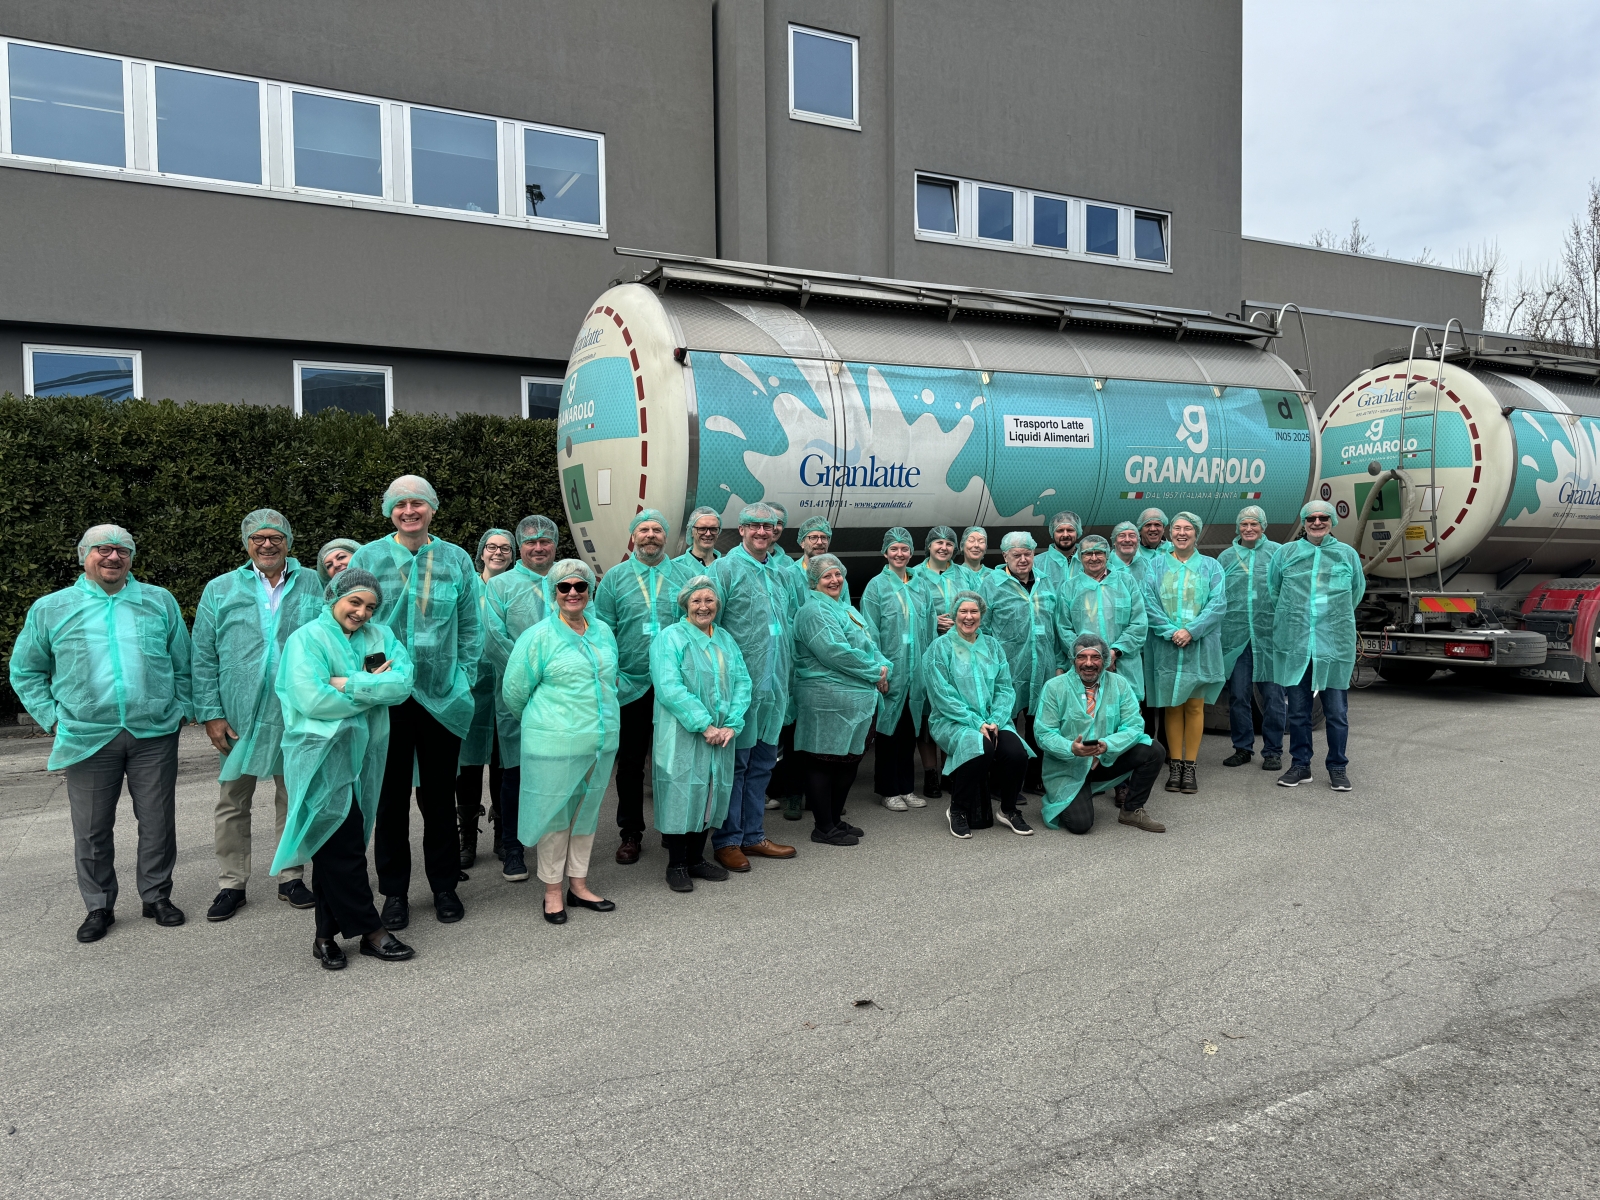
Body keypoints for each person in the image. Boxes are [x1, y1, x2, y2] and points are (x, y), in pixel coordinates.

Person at [10, 524, 193, 943]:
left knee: (158, 822)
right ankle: (98, 905)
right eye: (103, 550)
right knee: (92, 828)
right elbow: (26, 670)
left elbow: (182, 662)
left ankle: (156, 896)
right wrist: (53, 718)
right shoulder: (51, 608)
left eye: (122, 551)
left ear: (131, 558)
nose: (113, 557)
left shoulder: (158, 601)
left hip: (154, 732)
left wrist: (182, 709)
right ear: (84, 556)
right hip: (87, 735)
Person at [348, 475, 483, 930]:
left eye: (418, 503)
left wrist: (462, 679)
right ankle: (394, 893)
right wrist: (363, 680)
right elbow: (349, 623)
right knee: (389, 801)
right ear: (390, 511)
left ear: (432, 509)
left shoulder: (455, 559)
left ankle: (444, 886)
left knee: (439, 798)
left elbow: (470, 626)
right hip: (386, 698)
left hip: (440, 696)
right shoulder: (367, 559)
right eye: (401, 504)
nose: (409, 511)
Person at [271, 569, 417, 968]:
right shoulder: (307, 639)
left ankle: (324, 938)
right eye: (355, 602)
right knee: (345, 844)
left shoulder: (381, 636)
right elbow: (311, 698)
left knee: (332, 845)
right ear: (334, 597)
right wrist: (370, 687)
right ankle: (372, 931)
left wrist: (344, 682)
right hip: (321, 756)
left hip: (366, 754)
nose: (362, 613)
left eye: (371, 606)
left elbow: (402, 685)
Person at [191, 508, 325, 923]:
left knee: (293, 795)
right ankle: (232, 883)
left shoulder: (314, 583)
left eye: (275, 538)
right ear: (246, 543)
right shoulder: (220, 589)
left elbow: (331, 638)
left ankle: (291, 876)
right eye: (258, 538)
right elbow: (202, 654)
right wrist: (210, 713)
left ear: (288, 541)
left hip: (296, 709)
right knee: (233, 799)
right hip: (238, 713)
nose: (267, 545)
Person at [501, 559, 621, 924]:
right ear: (553, 592)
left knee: (586, 814)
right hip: (553, 745)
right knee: (555, 817)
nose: (572, 592)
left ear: (589, 591)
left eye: (580, 586)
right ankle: (553, 890)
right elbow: (515, 692)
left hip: (599, 742)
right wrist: (549, 725)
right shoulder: (538, 636)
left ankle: (579, 884)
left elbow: (609, 681)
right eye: (564, 587)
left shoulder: (602, 631)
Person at [709, 502, 799, 871]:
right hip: (740, 687)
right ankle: (727, 840)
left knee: (762, 764)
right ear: (742, 529)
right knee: (736, 765)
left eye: (769, 526)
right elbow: (710, 626)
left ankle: (753, 835)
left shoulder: (780, 571)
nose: (762, 532)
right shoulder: (724, 569)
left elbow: (789, 623)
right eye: (754, 526)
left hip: (774, 684)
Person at [651, 575, 753, 891]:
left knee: (711, 792)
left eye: (709, 600)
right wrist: (703, 724)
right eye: (696, 600)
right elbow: (669, 686)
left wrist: (732, 724)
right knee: (681, 794)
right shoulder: (670, 638)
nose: (703, 606)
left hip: (720, 734)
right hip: (683, 732)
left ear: (717, 605)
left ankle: (696, 859)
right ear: (685, 604)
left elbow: (742, 681)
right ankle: (677, 864)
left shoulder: (725, 639)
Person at [593, 508, 680, 865]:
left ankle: (675, 828)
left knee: (673, 760)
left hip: (673, 684)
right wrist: (611, 676)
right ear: (633, 536)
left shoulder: (684, 575)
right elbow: (602, 632)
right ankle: (630, 832)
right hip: (630, 684)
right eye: (643, 530)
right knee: (630, 763)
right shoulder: (614, 579)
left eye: (657, 529)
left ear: (666, 536)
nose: (650, 535)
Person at [792, 555, 892, 846]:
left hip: (855, 700)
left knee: (847, 761)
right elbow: (835, 652)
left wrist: (884, 667)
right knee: (824, 761)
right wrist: (875, 672)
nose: (834, 580)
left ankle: (835, 819)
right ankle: (823, 827)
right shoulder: (813, 611)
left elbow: (870, 644)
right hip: (826, 699)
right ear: (814, 581)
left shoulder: (846, 609)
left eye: (838, 574)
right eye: (827, 576)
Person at [482, 514, 559, 880]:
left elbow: (585, 626)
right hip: (516, 694)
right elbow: (494, 638)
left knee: (558, 771)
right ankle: (512, 848)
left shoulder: (568, 579)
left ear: (555, 544)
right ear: (519, 547)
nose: (538, 547)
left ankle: (555, 847)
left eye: (545, 540)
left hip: (562, 694)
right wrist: (530, 678)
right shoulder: (500, 586)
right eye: (530, 541)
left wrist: (558, 677)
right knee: (514, 772)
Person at [1268, 500, 1365, 791]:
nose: (1317, 522)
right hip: (1296, 644)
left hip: (1333, 644)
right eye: (1311, 518)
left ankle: (1337, 767)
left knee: (1336, 712)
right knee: (1299, 712)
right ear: (1304, 522)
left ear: (1332, 520)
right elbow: (1275, 591)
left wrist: (1331, 619)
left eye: (1323, 517)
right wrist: (1297, 618)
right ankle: (1300, 765)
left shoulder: (1346, 555)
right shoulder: (1286, 553)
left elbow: (1356, 592)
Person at [923, 591, 1032, 839]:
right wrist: (976, 722)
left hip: (993, 719)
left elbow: (1005, 687)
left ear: (982, 615)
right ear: (954, 614)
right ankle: (958, 809)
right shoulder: (940, 648)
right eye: (963, 611)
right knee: (980, 749)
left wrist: (996, 719)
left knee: (1016, 753)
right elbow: (942, 695)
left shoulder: (992, 646)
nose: (969, 617)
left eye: (974, 611)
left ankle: (1008, 809)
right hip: (953, 720)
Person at [1034, 633, 1166, 834]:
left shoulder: (1119, 684)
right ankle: (1072, 794)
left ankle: (1132, 810)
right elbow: (1044, 733)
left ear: (1105, 660)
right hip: (1068, 766)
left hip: (1105, 760)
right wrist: (1071, 749)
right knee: (1080, 825)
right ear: (1073, 659)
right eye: (1082, 657)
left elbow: (1134, 725)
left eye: (1095, 657)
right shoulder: (1054, 687)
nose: (1088, 663)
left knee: (1153, 750)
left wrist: (1107, 745)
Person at [1053, 533, 1149, 809]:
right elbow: (1064, 627)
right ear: (1079, 557)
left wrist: (1115, 652)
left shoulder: (1126, 582)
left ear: (1108, 555)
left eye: (1099, 553)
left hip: (1122, 664)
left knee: (1122, 721)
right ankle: (1089, 775)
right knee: (1089, 718)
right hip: (1086, 667)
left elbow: (1138, 622)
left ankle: (1123, 783)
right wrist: (1091, 657)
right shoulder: (1069, 588)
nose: (1093, 558)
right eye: (1087, 553)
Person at [1141, 512, 1227, 796]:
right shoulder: (1155, 566)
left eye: (1187, 528)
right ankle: (1175, 765)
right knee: (1172, 706)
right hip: (1167, 647)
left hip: (1199, 647)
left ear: (1196, 533)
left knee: (1194, 707)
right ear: (1170, 533)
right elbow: (1149, 603)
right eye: (1176, 528)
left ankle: (1190, 766)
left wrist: (1191, 631)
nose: (1181, 533)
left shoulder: (1212, 567)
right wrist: (1171, 631)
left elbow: (1217, 604)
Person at [980, 531, 1058, 815]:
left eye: (1028, 553)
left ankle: (1033, 777)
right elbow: (982, 628)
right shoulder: (991, 584)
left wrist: (1059, 661)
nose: (1023, 559)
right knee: (1006, 724)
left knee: (1040, 723)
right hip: (1007, 668)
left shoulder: (1046, 581)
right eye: (1017, 555)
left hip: (1043, 665)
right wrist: (990, 666)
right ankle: (1000, 783)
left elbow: (1057, 623)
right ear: (1005, 556)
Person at [765, 514, 832, 821]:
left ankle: (817, 795)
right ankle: (792, 793)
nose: (819, 542)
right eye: (813, 537)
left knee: (819, 732)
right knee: (792, 733)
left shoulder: (834, 573)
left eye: (823, 537)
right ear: (801, 541)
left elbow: (842, 611)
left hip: (826, 660)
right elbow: (786, 615)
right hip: (797, 659)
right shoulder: (789, 574)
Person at [456, 529, 514, 868]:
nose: (498, 553)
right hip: (470, 688)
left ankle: (504, 834)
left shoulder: (516, 589)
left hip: (507, 686)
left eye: (505, 548)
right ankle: (466, 837)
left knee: (503, 762)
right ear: (481, 552)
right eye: (492, 547)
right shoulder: (467, 589)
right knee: (468, 766)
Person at [1216, 506, 1286, 772]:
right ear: (1238, 527)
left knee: (1273, 696)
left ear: (1263, 526)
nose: (1248, 529)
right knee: (1238, 695)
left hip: (1270, 637)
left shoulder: (1278, 553)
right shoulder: (1226, 557)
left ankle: (1273, 751)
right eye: (1244, 524)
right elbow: (1217, 595)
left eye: (1254, 524)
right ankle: (1243, 748)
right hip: (1237, 638)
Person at [858, 528, 923, 811]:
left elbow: (928, 626)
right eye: (894, 549)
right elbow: (869, 632)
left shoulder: (920, 585)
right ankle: (888, 790)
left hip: (916, 672)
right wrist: (879, 670)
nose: (899, 554)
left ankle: (906, 787)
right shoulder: (876, 587)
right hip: (890, 670)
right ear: (885, 553)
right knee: (888, 733)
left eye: (904, 549)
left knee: (909, 732)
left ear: (911, 552)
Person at [910, 526, 960, 798]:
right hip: (927, 651)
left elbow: (978, 607)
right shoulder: (915, 575)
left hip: (959, 653)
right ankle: (930, 772)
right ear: (928, 546)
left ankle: (949, 771)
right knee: (928, 713)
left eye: (949, 543)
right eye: (938, 543)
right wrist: (933, 621)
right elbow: (909, 612)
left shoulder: (964, 575)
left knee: (953, 710)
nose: (944, 547)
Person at [1034, 511, 1083, 591]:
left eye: (1070, 530)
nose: (1065, 535)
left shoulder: (1090, 560)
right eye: (1060, 530)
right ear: (1052, 533)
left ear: (1077, 532)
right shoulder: (1036, 563)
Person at [671, 505, 724, 579]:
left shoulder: (727, 566)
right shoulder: (675, 567)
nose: (708, 534)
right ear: (691, 531)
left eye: (713, 529)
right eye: (702, 529)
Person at [1136, 508, 1172, 575]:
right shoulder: (1132, 553)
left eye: (1157, 525)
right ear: (1140, 529)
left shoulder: (1175, 550)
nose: (1153, 529)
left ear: (1163, 529)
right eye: (1148, 525)